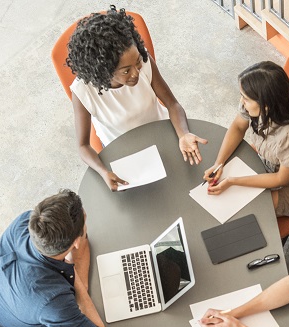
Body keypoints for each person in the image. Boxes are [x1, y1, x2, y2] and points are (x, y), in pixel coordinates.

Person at [66, 6, 206, 191]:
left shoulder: (143, 61)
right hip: (123, 151)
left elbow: (172, 104)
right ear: (104, 71)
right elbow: (83, 146)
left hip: (162, 133)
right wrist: (103, 171)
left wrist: (183, 134)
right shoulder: (83, 91)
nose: (136, 73)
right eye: (126, 71)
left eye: (138, 62)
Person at [0, 190, 106, 327]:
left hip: (5, 313)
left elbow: (83, 246)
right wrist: (79, 288)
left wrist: (75, 278)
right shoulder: (51, 300)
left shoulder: (25, 223)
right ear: (75, 241)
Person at [203, 61, 289, 218]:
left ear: (266, 105)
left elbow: (281, 179)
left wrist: (233, 181)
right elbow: (238, 127)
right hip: (269, 164)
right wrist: (219, 163)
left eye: (246, 99)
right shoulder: (254, 104)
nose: (242, 101)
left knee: (244, 210)